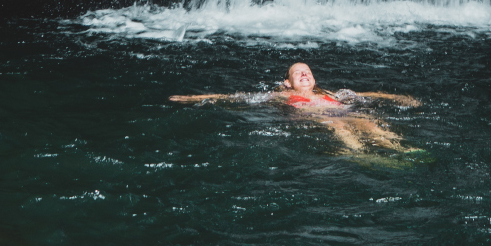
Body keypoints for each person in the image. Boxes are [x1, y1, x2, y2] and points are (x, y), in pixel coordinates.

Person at [169, 61, 421, 154]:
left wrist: (397, 98)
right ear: (287, 83)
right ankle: (360, 154)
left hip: (342, 110)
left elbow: (366, 94)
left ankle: (398, 147)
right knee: (339, 126)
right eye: (297, 73)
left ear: (314, 79)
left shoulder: (332, 93)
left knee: (369, 123)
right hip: (322, 117)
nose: (304, 75)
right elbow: (237, 97)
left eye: (307, 72)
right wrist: (191, 98)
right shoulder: (281, 97)